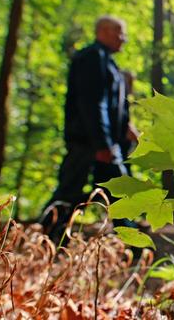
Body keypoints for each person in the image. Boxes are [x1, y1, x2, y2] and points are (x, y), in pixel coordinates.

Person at [40, 15, 137, 241]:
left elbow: (112, 105)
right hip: (90, 143)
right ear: (102, 32)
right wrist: (102, 143)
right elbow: (93, 103)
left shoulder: (108, 62)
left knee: (115, 189)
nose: (124, 38)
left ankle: (132, 243)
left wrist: (126, 128)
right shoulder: (92, 58)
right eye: (119, 32)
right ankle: (42, 239)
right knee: (71, 191)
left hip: (101, 142)